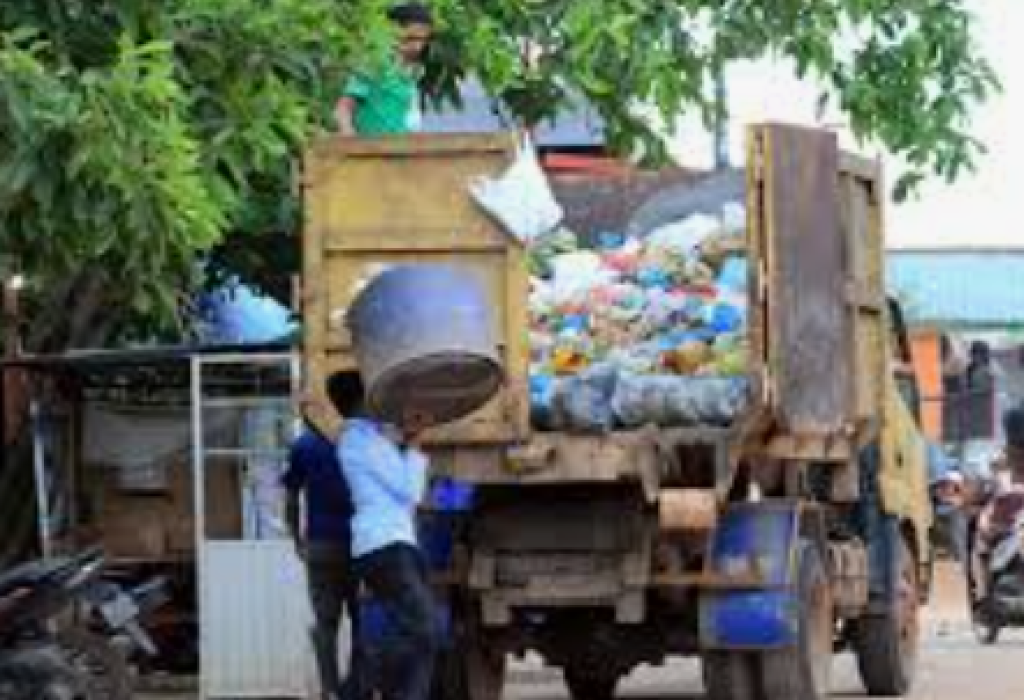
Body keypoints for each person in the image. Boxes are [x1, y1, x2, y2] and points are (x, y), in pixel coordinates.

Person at [335, 372, 440, 700]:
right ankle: (362, 687)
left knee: (409, 630)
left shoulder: (366, 437)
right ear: (363, 401)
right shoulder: (362, 441)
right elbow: (410, 490)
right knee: (426, 632)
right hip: (387, 546)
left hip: (385, 545)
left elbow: (393, 444)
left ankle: (359, 685)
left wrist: (407, 436)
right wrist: (416, 445)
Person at [282, 377, 361, 700]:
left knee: (325, 623)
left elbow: (290, 497)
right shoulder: (360, 443)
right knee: (363, 622)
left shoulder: (303, 446)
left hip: (321, 546)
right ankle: (358, 688)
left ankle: (330, 690)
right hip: (362, 547)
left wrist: (296, 538)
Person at [336, 3, 434, 136]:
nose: (417, 47)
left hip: (400, 150)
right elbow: (344, 108)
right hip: (370, 150)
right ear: (392, 32)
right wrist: (350, 139)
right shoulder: (373, 64)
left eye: (423, 40)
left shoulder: (414, 72)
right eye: (410, 38)